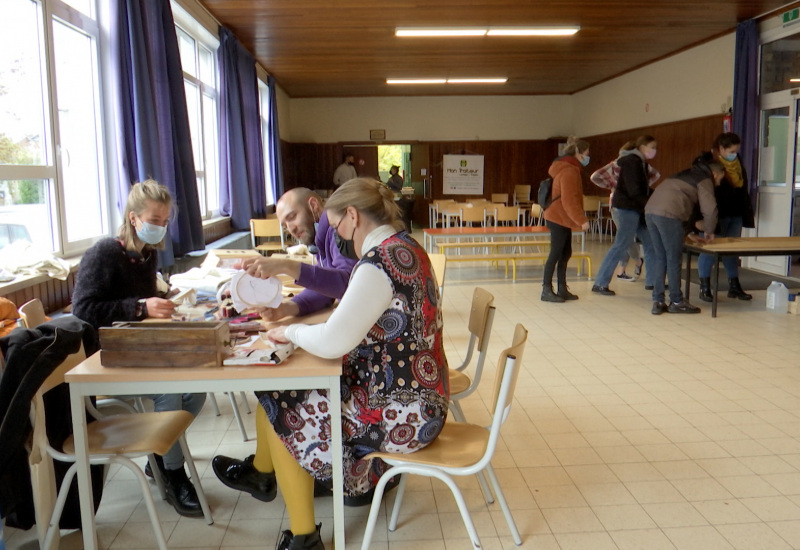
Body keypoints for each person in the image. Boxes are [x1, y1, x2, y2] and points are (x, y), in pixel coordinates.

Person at [240, 178, 449, 550]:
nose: (337, 237)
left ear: (352, 216)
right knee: (289, 393)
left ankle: (306, 537)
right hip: (423, 397)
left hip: (407, 415)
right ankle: (307, 477)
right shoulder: (405, 246)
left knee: (282, 409)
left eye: (336, 227)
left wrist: (288, 334)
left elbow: (335, 339)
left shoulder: (378, 261)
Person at [210, 187, 358, 499]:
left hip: (363, 369)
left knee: (283, 394)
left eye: (292, 216)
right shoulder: (325, 235)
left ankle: (268, 474)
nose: (290, 227)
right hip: (356, 345)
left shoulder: (336, 230)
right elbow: (327, 285)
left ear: (314, 205)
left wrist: (290, 267)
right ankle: (262, 473)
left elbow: (345, 281)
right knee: (276, 389)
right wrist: (289, 308)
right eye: (285, 222)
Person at [71, 179, 206, 517]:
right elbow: (83, 311)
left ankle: (159, 455)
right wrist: (141, 308)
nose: (159, 227)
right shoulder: (104, 254)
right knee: (169, 393)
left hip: (139, 347)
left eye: (164, 221)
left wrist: (163, 303)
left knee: (198, 391)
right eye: (154, 220)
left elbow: (143, 300)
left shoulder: (146, 254)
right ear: (134, 219)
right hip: (106, 355)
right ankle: (173, 475)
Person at [645, 160, 723, 315]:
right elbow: (709, 208)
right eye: (720, 179)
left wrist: (688, 233)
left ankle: (658, 300)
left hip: (650, 211)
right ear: (714, 174)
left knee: (661, 257)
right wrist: (709, 230)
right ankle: (676, 301)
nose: (719, 183)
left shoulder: (686, 173)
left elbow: (680, 201)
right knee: (673, 258)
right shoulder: (705, 179)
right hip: (669, 214)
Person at [592, 135, 658, 296]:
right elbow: (634, 189)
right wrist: (649, 202)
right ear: (642, 147)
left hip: (636, 208)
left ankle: (653, 282)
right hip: (627, 208)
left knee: (651, 242)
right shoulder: (632, 162)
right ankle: (600, 283)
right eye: (652, 147)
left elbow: (642, 188)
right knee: (621, 244)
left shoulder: (640, 162)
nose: (654, 151)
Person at [696, 133, 755, 302]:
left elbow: (741, 188)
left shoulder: (737, 162)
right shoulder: (707, 164)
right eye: (731, 150)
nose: (734, 153)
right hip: (715, 214)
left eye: (736, 150)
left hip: (735, 212)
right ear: (721, 149)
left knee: (731, 251)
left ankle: (734, 286)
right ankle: (705, 287)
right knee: (709, 249)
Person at [541, 136, 592, 302]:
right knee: (556, 253)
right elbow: (569, 200)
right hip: (558, 216)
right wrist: (581, 220)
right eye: (586, 153)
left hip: (561, 217)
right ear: (578, 153)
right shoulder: (569, 171)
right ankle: (546, 290)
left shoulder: (570, 169)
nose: (588, 157)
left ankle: (562, 288)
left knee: (565, 252)